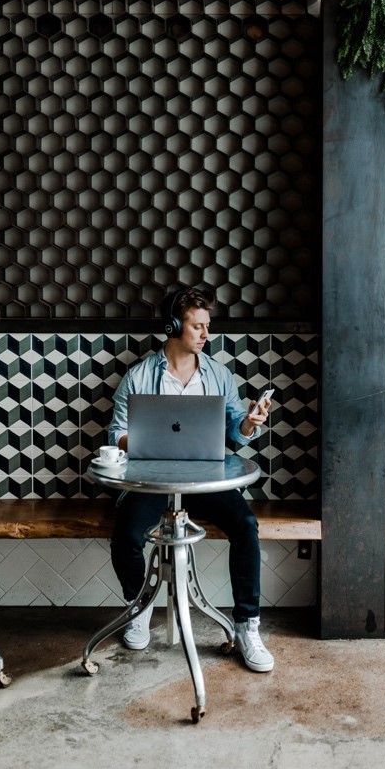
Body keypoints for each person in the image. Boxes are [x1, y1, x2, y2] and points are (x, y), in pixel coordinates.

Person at [107, 286, 274, 673]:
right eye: (196, 326)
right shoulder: (138, 376)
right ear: (173, 325)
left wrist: (248, 424)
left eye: (207, 326)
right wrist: (147, 438)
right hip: (151, 481)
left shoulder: (219, 375)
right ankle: (139, 607)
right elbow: (115, 435)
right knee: (127, 536)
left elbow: (234, 430)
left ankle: (247, 625)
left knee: (246, 526)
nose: (204, 334)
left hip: (206, 481)